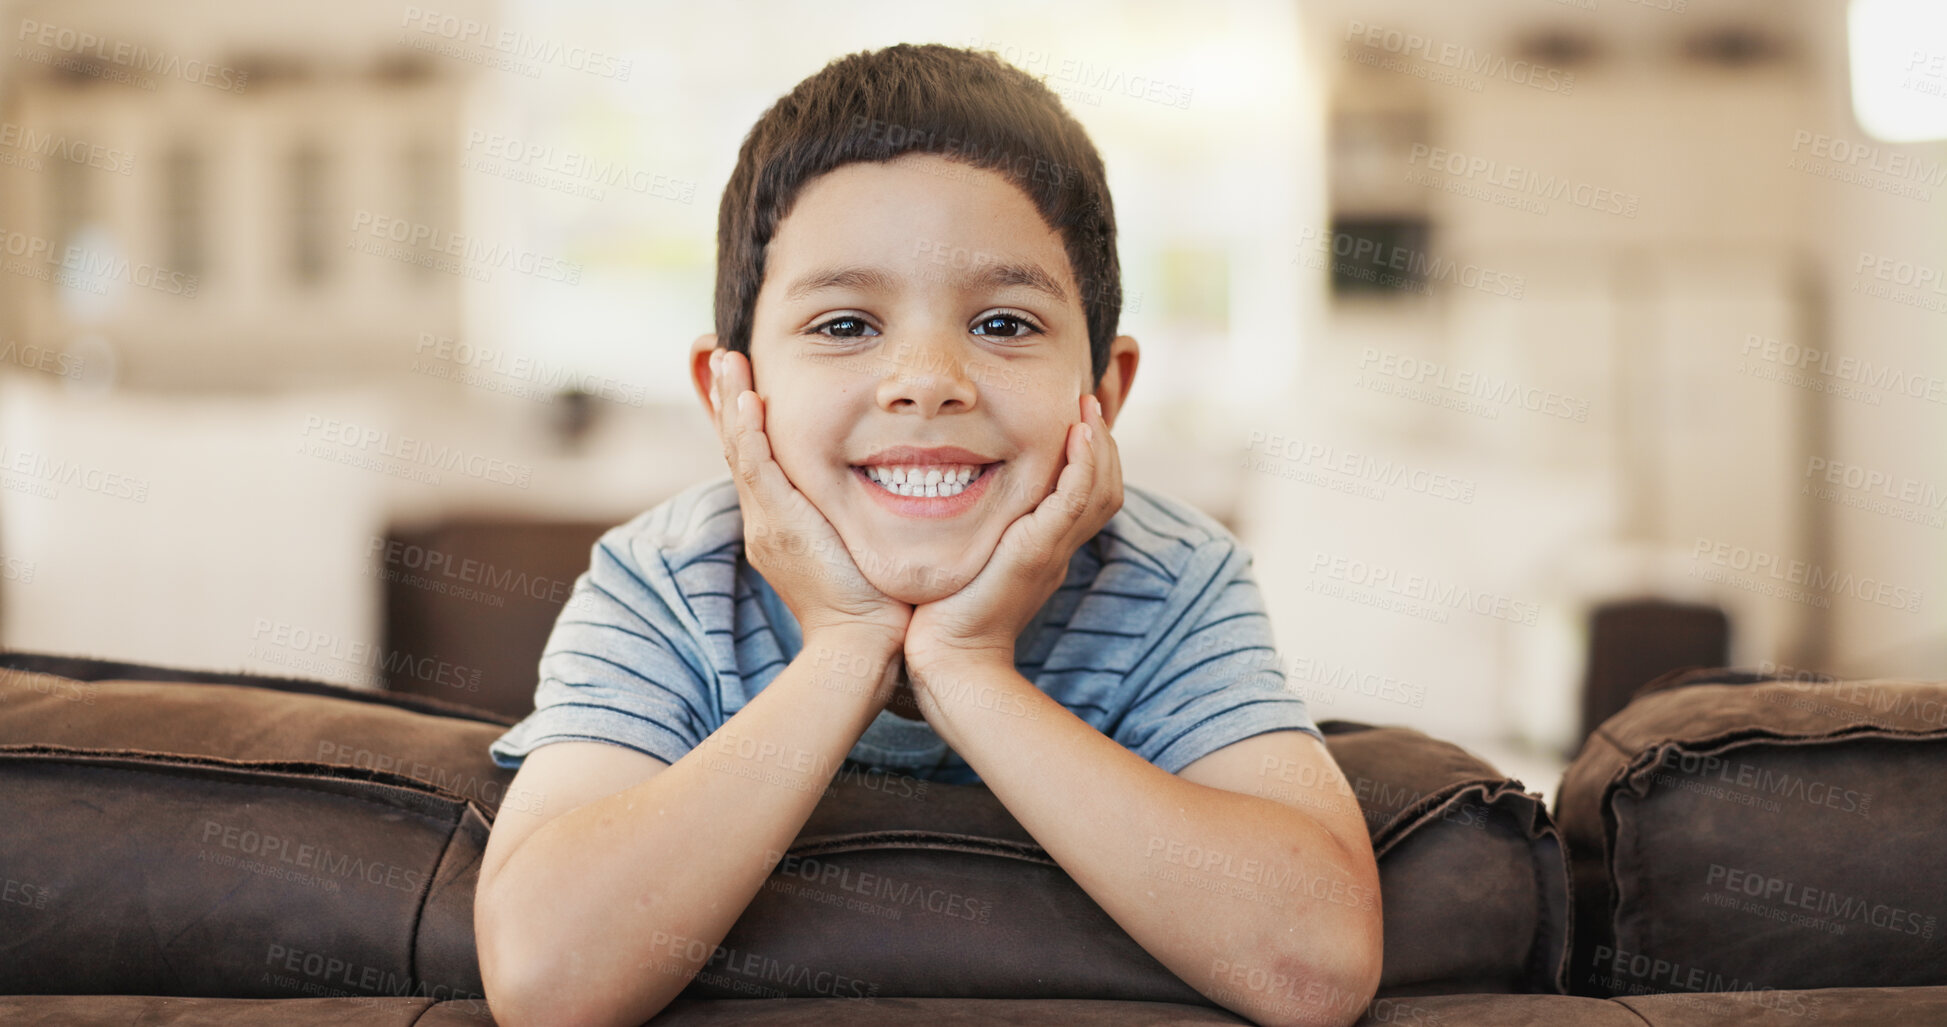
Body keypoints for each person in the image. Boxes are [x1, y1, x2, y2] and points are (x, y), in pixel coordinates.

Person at [473, 42, 1381, 1027]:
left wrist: (965, 665)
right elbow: (547, 981)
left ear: (1104, 392)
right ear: (731, 394)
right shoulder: (662, 581)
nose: (926, 378)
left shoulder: (1170, 578)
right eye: (844, 325)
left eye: (1003, 324)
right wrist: (847, 647)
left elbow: (1316, 968)